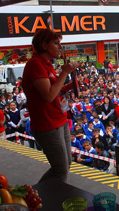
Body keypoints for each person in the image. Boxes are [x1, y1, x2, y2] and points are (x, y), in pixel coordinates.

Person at [22, 29, 79, 183]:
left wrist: (68, 86)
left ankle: (40, 194)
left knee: (66, 164)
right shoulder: (35, 64)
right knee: (60, 170)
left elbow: (54, 90)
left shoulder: (46, 64)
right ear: (44, 45)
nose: (60, 47)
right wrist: (64, 73)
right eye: (56, 43)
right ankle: (40, 197)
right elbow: (48, 96)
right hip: (47, 124)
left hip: (59, 120)